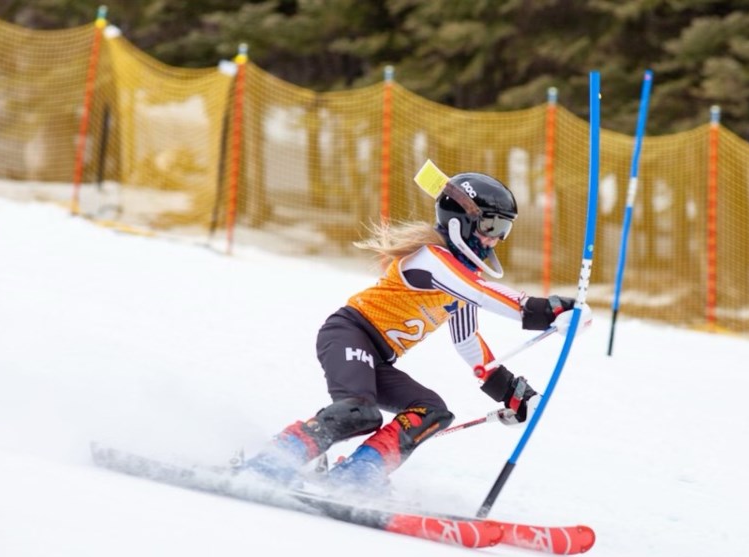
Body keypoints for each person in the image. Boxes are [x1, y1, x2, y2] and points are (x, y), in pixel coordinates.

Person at [242, 170, 585, 491]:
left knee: (432, 411)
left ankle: (360, 473)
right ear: (462, 221)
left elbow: (467, 341)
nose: (495, 240)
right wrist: (550, 310)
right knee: (359, 413)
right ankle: (275, 460)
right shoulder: (431, 258)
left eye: (503, 231)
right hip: (349, 333)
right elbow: (484, 295)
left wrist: (509, 388)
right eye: (491, 226)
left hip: (379, 359)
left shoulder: (462, 282)